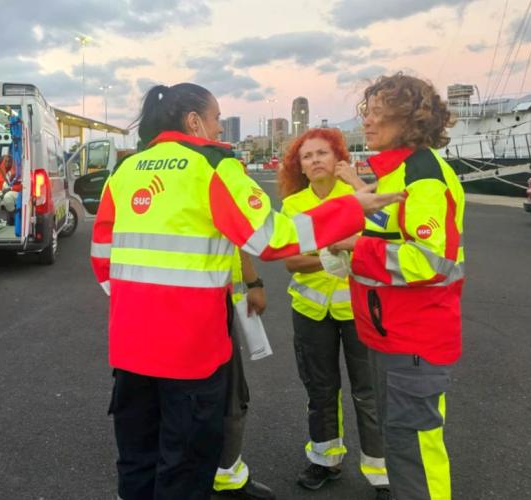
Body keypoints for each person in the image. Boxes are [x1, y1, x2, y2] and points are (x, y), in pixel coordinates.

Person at [90, 82, 403, 500]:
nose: (220, 130)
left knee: (137, 456)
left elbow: (102, 258)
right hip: (191, 349)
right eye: (217, 119)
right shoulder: (212, 166)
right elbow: (272, 238)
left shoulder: (125, 171)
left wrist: (140, 305)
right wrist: (350, 209)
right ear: (195, 121)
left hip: (130, 345)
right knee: (184, 462)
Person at [340, 73, 465, 500]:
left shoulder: (423, 175)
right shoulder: (397, 174)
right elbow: (390, 234)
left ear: (410, 121)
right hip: (391, 334)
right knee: (402, 443)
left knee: (414, 451)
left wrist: (354, 247)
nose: (367, 123)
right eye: (367, 112)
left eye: (378, 113)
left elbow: (429, 261)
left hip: (414, 338)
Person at [278, 128, 389, 499]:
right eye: (307, 156)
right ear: (301, 167)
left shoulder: (358, 197)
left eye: (322, 153)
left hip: (359, 311)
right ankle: (326, 459)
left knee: (368, 391)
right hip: (311, 312)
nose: (315, 160)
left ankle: (380, 471)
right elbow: (291, 261)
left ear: (338, 158)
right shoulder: (294, 206)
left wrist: (327, 250)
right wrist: (334, 254)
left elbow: (380, 242)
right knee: (321, 389)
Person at [212, 249, 275, 500]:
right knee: (190, 396)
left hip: (217, 301)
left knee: (231, 393)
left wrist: (253, 283)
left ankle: (226, 474)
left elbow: (236, 239)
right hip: (188, 306)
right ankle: (201, 475)